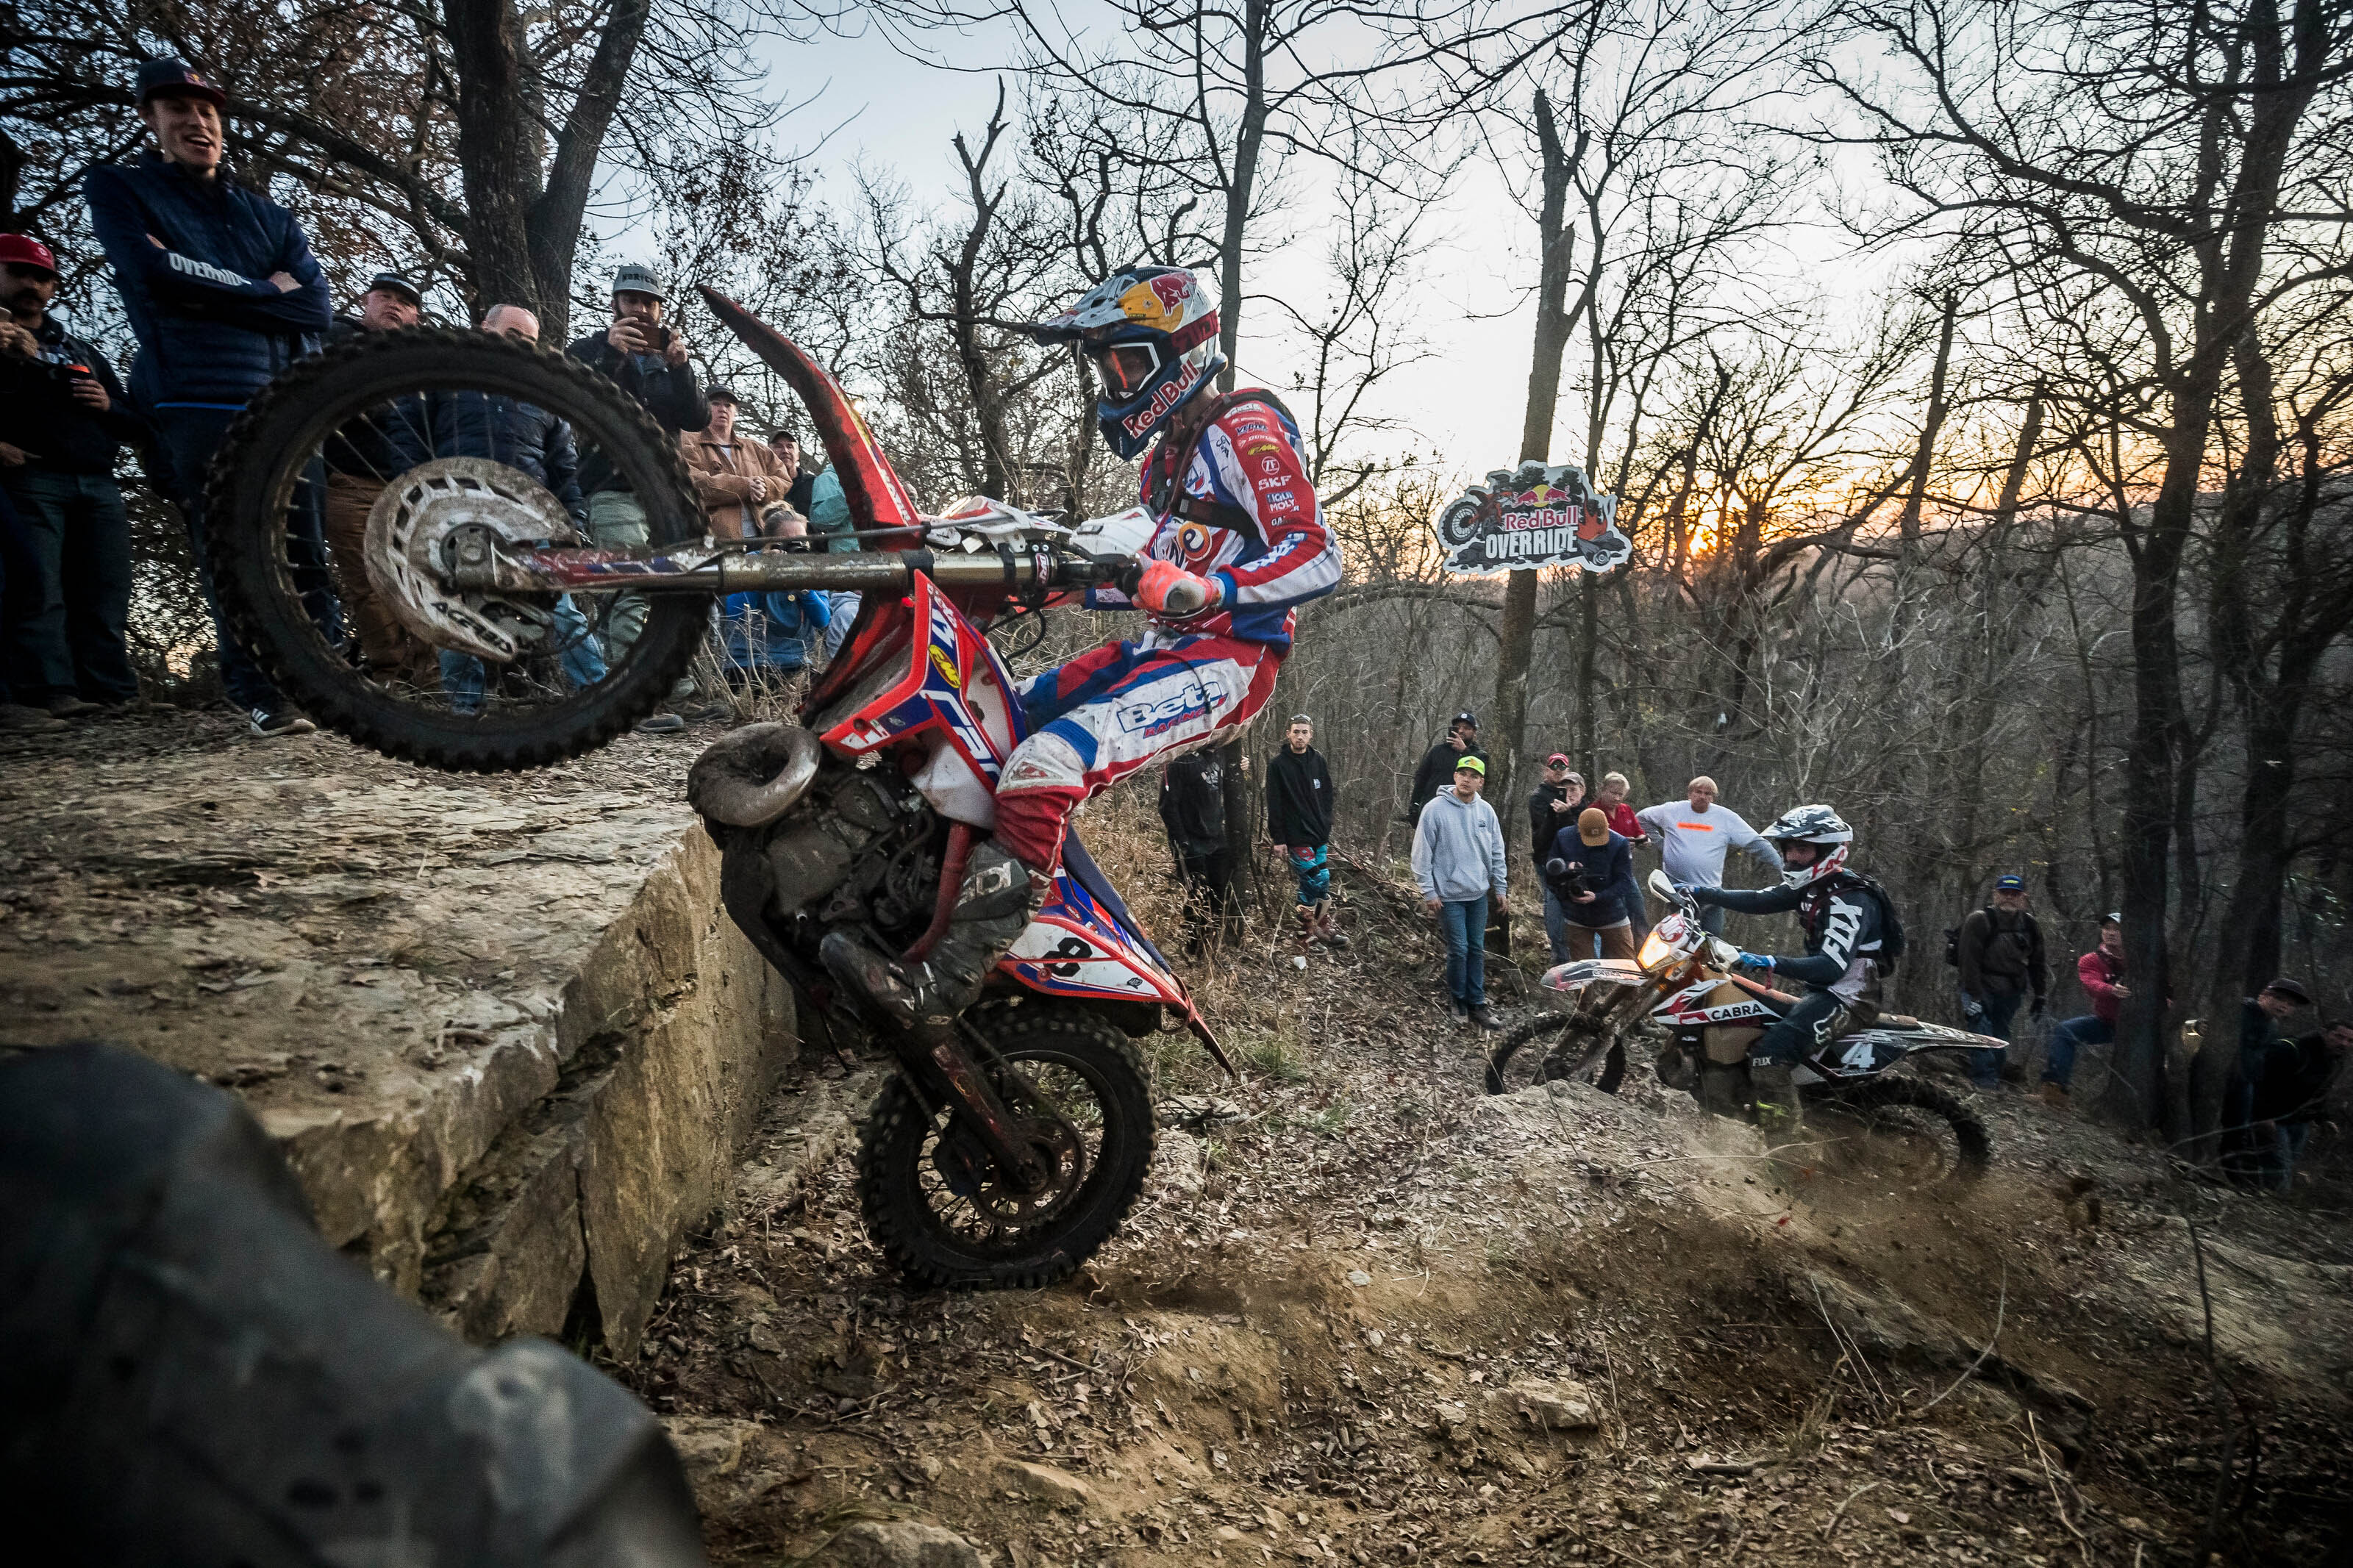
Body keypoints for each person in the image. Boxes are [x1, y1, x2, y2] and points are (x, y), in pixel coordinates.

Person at [818, 265, 1339, 1032]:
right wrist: (1016, 540)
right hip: (1164, 647)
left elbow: (1316, 554)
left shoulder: (1243, 428)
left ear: (1180, 353)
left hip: (1228, 661)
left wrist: (1214, 593)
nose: (1113, 380)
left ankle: (943, 981)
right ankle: (919, 899)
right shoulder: (1172, 455)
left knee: (1043, 766)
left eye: (1126, 362)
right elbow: (1134, 550)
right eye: (1105, 365)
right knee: (993, 714)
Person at [84, 57, 338, 738]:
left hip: (285, 402)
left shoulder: (269, 214)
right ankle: (258, 692)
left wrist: (213, 286)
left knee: (305, 550)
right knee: (233, 552)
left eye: (208, 112)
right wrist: (263, 292)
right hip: (198, 399)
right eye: (179, 110)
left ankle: (327, 685)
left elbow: (315, 305)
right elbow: (151, 273)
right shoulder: (119, 188)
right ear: (151, 120)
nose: (197, 122)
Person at [427, 304, 607, 715]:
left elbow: (564, 469)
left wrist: (574, 521)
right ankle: (464, 710)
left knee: (558, 607)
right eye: (511, 335)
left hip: (526, 514)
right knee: (456, 606)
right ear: (483, 330)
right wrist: (414, 497)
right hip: (457, 508)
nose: (520, 346)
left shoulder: (544, 397)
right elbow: (410, 437)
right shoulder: (444, 379)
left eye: (528, 340)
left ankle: (601, 694)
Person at [0, 232, 145, 720]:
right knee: (41, 590)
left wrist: (110, 406)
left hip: (99, 483)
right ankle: (50, 691)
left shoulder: (78, 347)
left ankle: (112, 693)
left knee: (106, 591)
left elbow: (134, 420)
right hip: (32, 479)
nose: (31, 284)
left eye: (41, 276)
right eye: (18, 272)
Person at [563, 262, 709, 732]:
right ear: (615, 304)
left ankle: (674, 689)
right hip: (611, 485)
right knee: (630, 589)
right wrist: (609, 354)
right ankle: (636, 700)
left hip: (667, 493)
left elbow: (695, 417)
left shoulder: (671, 356)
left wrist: (683, 369)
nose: (641, 310)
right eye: (631, 300)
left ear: (661, 307)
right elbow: (566, 395)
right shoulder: (590, 349)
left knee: (676, 589)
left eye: (649, 302)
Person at [1682, 805, 1893, 1125]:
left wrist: (1766, 961)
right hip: (1824, 993)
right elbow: (1759, 899)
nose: (1792, 857)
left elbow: (1830, 966)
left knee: (1769, 1058)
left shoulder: (1850, 900)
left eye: (1802, 849)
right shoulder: (1816, 885)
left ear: (1827, 851)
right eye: (1789, 848)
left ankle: (1786, 1152)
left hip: (1849, 999)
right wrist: (1698, 891)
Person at [318, 269, 432, 682]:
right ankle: (390, 670)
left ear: (416, 316)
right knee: (365, 580)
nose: (394, 305)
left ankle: (432, 676)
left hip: (412, 485)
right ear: (366, 302)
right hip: (350, 479)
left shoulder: (431, 359)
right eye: (384, 296)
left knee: (422, 576)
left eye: (405, 302)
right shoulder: (336, 339)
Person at [1414, 755, 1509, 1029]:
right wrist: (1428, 890)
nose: (1466, 779)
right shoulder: (1434, 809)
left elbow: (1496, 852)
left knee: (1476, 949)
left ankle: (1477, 1003)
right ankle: (1458, 1000)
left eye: (1473, 775)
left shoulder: (1486, 812)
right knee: (1459, 949)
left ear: (1481, 782)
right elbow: (1422, 853)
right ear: (1454, 776)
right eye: (1462, 773)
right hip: (1448, 896)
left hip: (1478, 894)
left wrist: (1500, 887)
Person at [1635, 777, 1782, 936]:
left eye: (1708, 794)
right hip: (1677, 888)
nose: (1703, 796)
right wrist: (1660, 843)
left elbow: (1756, 843)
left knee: (1712, 938)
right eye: (1698, 792)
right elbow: (1641, 818)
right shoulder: (1671, 811)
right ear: (1690, 794)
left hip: (1710, 891)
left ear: (1713, 798)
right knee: (1678, 937)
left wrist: (1782, 865)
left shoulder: (1725, 817)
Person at [715, 504, 827, 704]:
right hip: (749, 665)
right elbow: (736, 614)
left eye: (801, 541)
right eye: (787, 542)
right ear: (769, 543)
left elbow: (822, 620)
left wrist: (804, 587)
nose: (795, 547)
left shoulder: (813, 567)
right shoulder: (749, 563)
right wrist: (764, 574)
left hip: (796, 664)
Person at [1954, 873, 2050, 1091]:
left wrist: (2040, 994)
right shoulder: (1979, 920)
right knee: (1980, 1032)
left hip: (2011, 991)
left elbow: (2037, 961)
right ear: (1995, 895)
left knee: (2000, 1035)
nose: (2009, 898)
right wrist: (1975, 996)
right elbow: (1968, 961)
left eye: (2014, 894)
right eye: (2004, 893)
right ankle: (1984, 1082)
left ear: (2023, 898)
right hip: (1980, 986)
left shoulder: (2030, 924)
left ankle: (1995, 1078)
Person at [1266, 714, 1343, 950]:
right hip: (1296, 834)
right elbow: (1274, 803)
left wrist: (1326, 820)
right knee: (1315, 879)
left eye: (1304, 732)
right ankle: (1304, 936)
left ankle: (1320, 928)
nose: (1300, 736)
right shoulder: (1278, 765)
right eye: (1296, 732)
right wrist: (1278, 838)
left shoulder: (1317, 760)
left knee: (1322, 882)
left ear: (1311, 735)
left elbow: (1328, 793)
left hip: (1319, 832)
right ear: (1288, 733)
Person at [2224, 978, 2312, 1187]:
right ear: (2264, 995)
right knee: (2235, 1126)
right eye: (2279, 999)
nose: (2284, 1006)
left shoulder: (2272, 1025)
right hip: (2230, 1081)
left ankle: (2237, 1173)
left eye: (2290, 1004)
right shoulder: (2244, 1011)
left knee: (2241, 1129)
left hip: (2248, 1083)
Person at [683, 385, 796, 542]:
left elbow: (783, 479)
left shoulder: (756, 448)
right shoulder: (687, 441)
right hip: (713, 541)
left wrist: (765, 486)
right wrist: (746, 486)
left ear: (735, 412)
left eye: (728, 405)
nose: (723, 409)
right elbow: (692, 482)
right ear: (702, 407)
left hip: (762, 540)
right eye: (715, 403)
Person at [2253, 1018, 2350, 1192]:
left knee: (2287, 1165)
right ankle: (2267, 1205)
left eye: (2350, 1041)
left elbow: (2318, 1092)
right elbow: (2262, 1084)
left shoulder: (2334, 1060)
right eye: (2339, 1036)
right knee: (2278, 1168)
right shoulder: (2292, 1049)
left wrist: (2323, 1119)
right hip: (2275, 1119)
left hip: (2299, 1122)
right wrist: (2264, 1117)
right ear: (2325, 1032)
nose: (2344, 1043)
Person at [2041, 914, 2124, 1111]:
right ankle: (2055, 1092)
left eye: (2117, 929)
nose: (2111, 933)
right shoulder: (2091, 960)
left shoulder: (2143, 961)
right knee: (2065, 1031)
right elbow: (2091, 984)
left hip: (2143, 1027)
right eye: (2107, 928)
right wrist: (2111, 990)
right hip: (2107, 1022)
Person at [1543, 806, 1639, 962]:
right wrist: (1567, 867)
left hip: (1612, 914)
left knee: (1627, 969)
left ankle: (1621, 987)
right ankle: (1588, 988)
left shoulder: (1620, 843)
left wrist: (1598, 897)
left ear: (1608, 827)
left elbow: (1625, 882)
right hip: (1576, 915)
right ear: (1578, 829)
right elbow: (1551, 874)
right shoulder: (1563, 837)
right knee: (1582, 974)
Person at [1159, 748, 1229, 957]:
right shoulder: (1180, 762)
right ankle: (1194, 947)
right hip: (1191, 841)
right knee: (1197, 895)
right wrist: (1182, 840)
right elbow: (1167, 806)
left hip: (1216, 839)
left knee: (1218, 892)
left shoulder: (1221, 755)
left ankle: (1212, 945)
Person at [1410, 712, 1488, 817]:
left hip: (1463, 812)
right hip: (1432, 808)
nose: (1461, 731)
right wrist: (1415, 804)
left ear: (1474, 732)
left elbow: (1483, 778)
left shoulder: (1480, 755)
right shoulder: (1438, 751)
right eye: (1458, 727)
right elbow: (1421, 777)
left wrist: (1464, 751)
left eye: (1466, 728)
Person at [768, 424, 818, 517]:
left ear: (798, 455)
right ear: (767, 453)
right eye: (778, 447)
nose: (785, 451)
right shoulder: (763, 486)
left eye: (790, 447)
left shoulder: (814, 484)